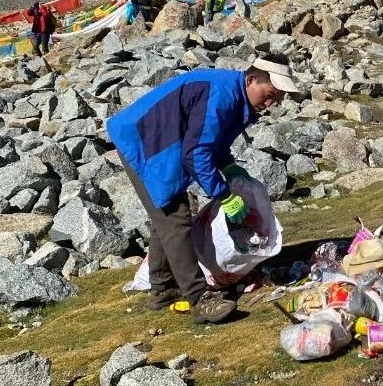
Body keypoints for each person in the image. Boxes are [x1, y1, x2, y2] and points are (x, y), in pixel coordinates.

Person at [105, 54, 301, 324]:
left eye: (275, 100)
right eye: (269, 95)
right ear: (252, 79)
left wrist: (228, 166)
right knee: (174, 216)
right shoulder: (222, 95)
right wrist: (223, 194)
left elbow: (212, 139)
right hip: (145, 141)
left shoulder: (235, 95)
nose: (269, 104)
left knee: (167, 215)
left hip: (163, 138)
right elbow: (197, 153)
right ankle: (199, 299)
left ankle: (162, 288)